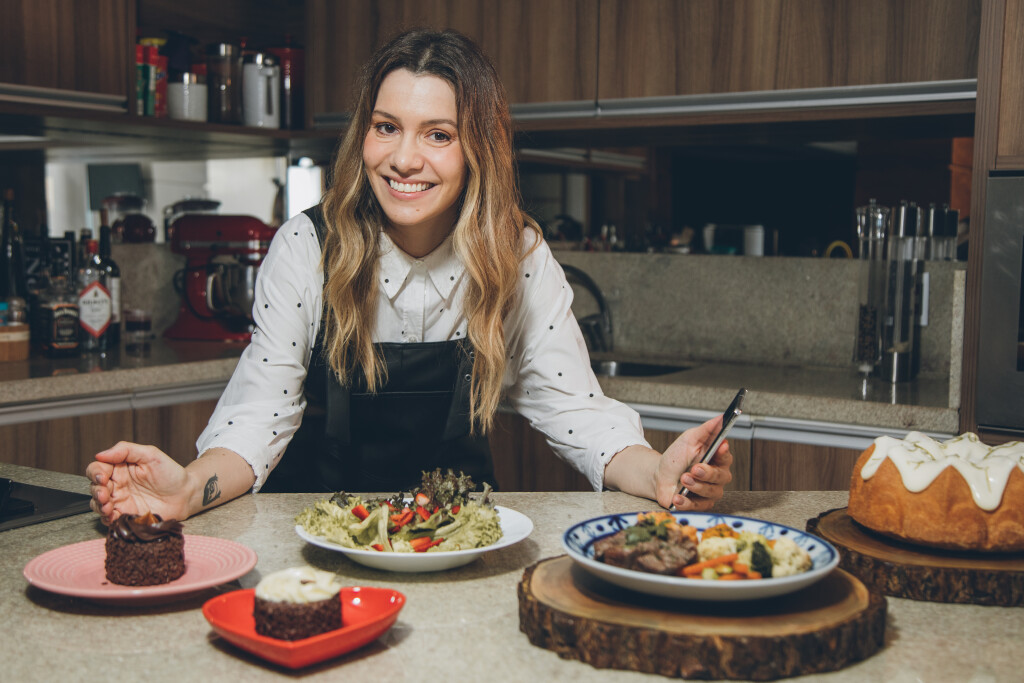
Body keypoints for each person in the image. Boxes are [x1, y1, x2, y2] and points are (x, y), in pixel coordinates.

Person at [87, 29, 733, 524]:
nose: (403, 159)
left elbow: (580, 413)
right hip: (319, 540)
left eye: (438, 135)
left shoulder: (519, 256)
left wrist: (659, 473)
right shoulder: (306, 250)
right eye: (386, 127)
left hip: (460, 537)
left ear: (477, 148)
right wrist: (184, 490)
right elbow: (258, 420)